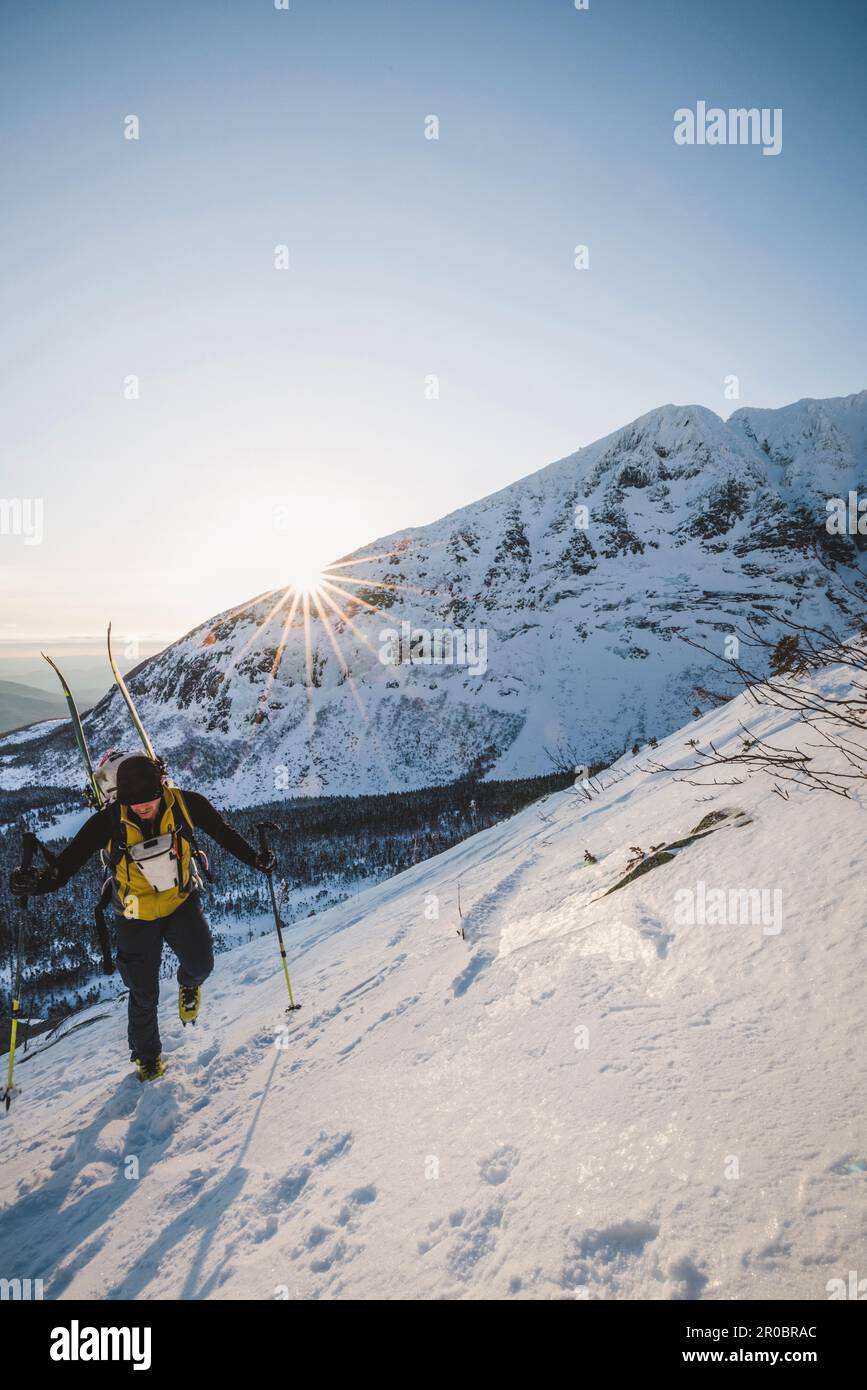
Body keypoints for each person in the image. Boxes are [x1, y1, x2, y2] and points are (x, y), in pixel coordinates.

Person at [9, 754, 274, 1082]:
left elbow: (223, 833)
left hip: (180, 902)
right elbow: (65, 867)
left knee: (201, 965)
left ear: (161, 787)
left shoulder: (186, 805)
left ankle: (188, 985)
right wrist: (34, 883)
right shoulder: (108, 821)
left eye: (149, 799)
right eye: (133, 802)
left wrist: (255, 859)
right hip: (133, 913)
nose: (142, 807)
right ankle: (147, 1057)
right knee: (143, 992)